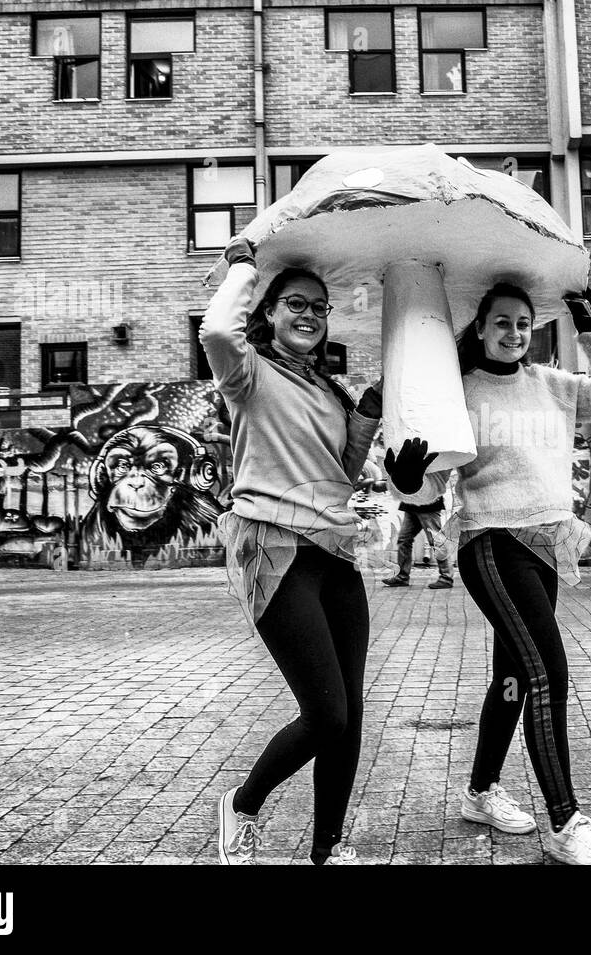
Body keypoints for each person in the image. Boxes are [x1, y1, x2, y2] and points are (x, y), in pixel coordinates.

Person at [385, 283, 591, 865]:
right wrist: (404, 477)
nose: (514, 333)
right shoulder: (460, 394)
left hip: (544, 543)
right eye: (502, 322)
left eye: (523, 323)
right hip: (491, 544)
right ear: (480, 327)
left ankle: (480, 792)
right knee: (547, 670)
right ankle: (564, 821)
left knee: (515, 678)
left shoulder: (554, 385)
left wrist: (590, 326)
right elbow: (428, 488)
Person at [201, 235, 382, 866]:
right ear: (270, 314)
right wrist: (245, 266)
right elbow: (215, 331)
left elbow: (343, 472)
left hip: (335, 555)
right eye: (296, 304)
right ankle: (243, 805)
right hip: (273, 548)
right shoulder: (248, 372)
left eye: (321, 307)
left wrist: (368, 418)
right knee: (326, 714)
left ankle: (327, 849)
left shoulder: (329, 391)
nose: (310, 315)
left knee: (350, 713)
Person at [381, 495, 454, 589]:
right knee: (404, 540)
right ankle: (402, 577)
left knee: (436, 541)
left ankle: (446, 577)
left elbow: (438, 480)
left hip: (428, 503)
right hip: (411, 503)